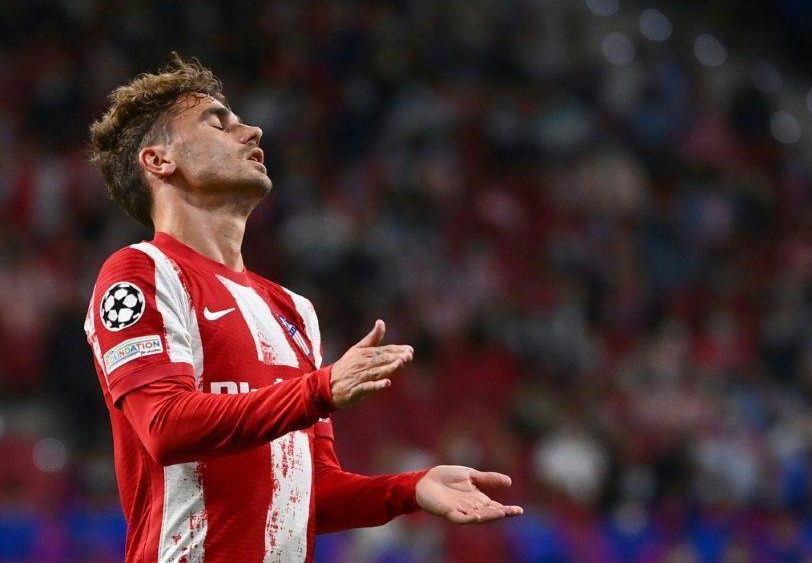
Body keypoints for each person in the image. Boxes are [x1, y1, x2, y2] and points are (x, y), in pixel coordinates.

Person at [84, 54, 522, 562]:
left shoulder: (293, 311)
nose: (252, 131)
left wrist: (411, 488)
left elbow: (305, 494)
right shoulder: (140, 273)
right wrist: (320, 390)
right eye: (217, 123)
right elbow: (164, 425)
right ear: (159, 161)